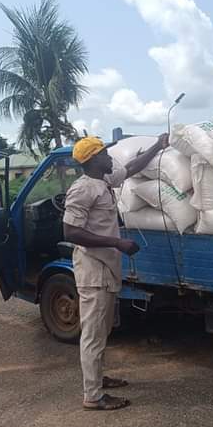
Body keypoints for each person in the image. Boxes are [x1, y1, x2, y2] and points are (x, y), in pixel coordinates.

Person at [63, 134, 169, 410]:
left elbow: (131, 168)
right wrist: (116, 242)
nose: (110, 157)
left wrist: (158, 146)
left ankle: (97, 379)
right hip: (93, 271)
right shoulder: (83, 189)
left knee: (104, 329)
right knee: (93, 334)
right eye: (105, 154)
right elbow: (71, 231)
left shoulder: (104, 181)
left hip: (106, 269)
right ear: (94, 160)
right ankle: (93, 396)